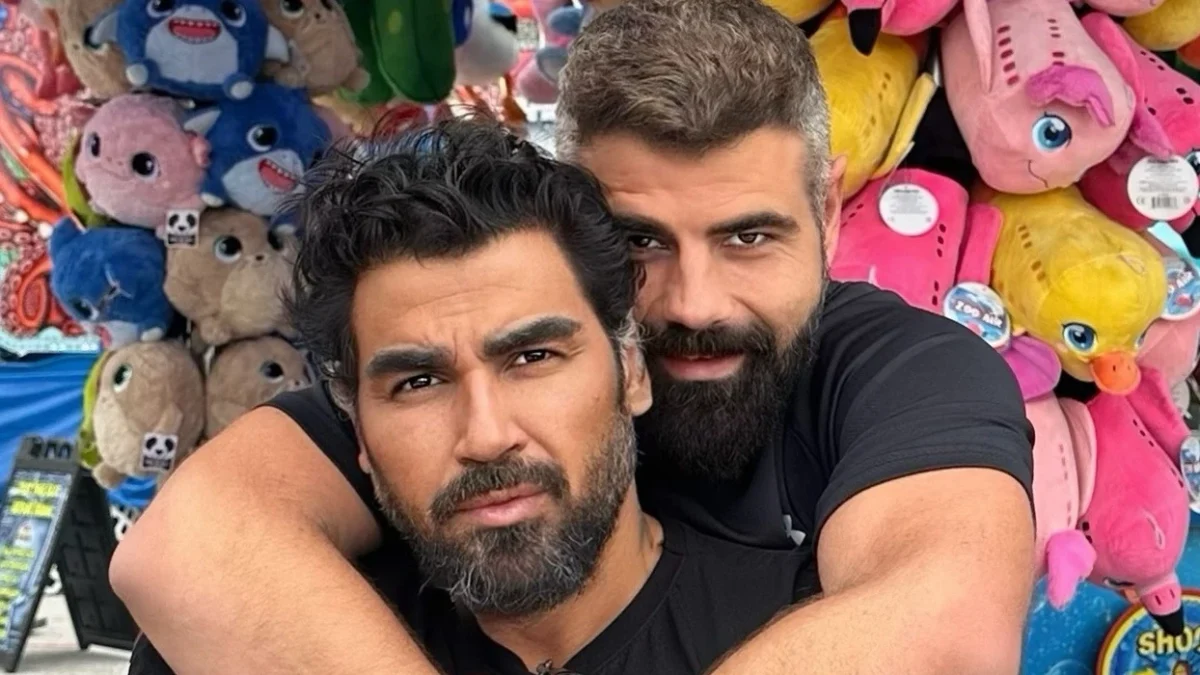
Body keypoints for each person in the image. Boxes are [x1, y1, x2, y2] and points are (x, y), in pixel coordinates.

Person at [112, 1, 1037, 673]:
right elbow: (192, 544)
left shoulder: (893, 371)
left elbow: (945, 622)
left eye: (749, 237)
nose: (693, 304)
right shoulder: (450, 354)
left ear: (827, 210)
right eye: (639, 242)